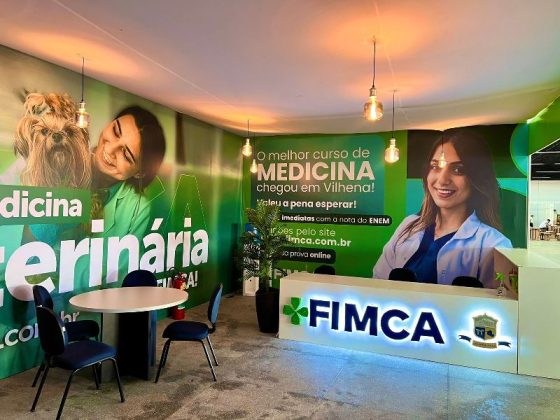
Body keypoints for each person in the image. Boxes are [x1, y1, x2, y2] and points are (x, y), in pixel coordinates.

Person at [373, 128, 512, 288]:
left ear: (478, 177)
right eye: (435, 167)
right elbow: (378, 282)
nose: (442, 180)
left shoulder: (495, 244)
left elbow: (499, 300)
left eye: (458, 170)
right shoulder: (409, 225)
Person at [91, 105, 166, 238]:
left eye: (126, 155)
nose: (109, 149)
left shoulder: (138, 208)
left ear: (139, 173)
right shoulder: (67, 152)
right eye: (115, 131)